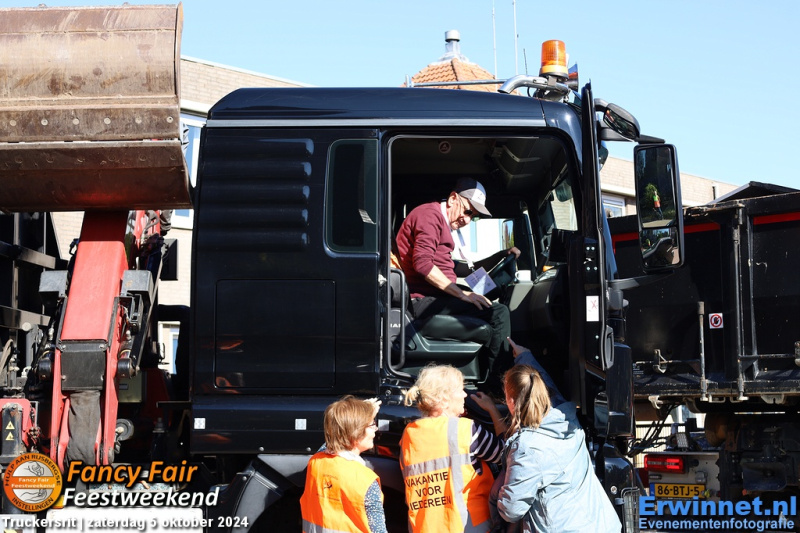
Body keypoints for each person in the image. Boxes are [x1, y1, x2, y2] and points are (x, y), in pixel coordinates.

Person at [473, 339, 621, 533]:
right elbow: (547, 385)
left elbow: (511, 510)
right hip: (601, 526)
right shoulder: (566, 418)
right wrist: (525, 356)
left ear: (511, 402)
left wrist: (497, 492)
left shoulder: (527, 448)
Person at [395, 178, 518, 392]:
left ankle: (492, 380)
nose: (467, 220)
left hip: (437, 296)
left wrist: (500, 255)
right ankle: (498, 389)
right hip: (423, 301)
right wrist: (463, 295)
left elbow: (463, 269)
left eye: (473, 216)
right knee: (499, 314)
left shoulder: (443, 224)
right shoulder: (430, 216)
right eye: (467, 211)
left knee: (489, 301)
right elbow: (423, 265)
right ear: (453, 199)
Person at [399, 365, 506, 533]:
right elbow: (506, 455)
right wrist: (492, 409)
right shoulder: (465, 429)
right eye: (461, 389)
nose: (465, 395)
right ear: (444, 398)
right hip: (467, 527)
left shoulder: (409, 434)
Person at [300, 396, 387, 533]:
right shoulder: (366, 481)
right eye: (371, 424)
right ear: (356, 432)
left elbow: (329, 443)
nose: (375, 429)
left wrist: (360, 414)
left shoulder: (316, 463)